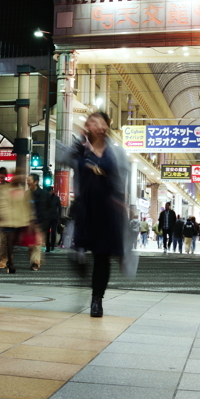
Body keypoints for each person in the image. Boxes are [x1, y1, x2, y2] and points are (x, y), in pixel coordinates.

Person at [68, 112, 129, 318]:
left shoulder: (116, 152)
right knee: (81, 251)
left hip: (108, 210)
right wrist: (80, 143)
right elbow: (64, 158)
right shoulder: (80, 149)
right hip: (86, 210)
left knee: (103, 258)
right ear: (88, 126)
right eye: (94, 122)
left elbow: (122, 177)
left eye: (102, 122)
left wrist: (123, 202)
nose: (99, 126)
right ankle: (80, 262)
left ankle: (97, 300)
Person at [0, 168, 35, 274]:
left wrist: (28, 220)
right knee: (9, 242)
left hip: (20, 221)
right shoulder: (4, 189)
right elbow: (1, 204)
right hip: (8, 221)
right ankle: (10, 263)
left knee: (17, 242)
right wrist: (4, 216)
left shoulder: (23, 191)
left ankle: (11, 261)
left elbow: (26, 207)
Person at [26, 173, 49, 269]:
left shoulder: (44, 194)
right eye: (27, 180)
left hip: (39, 223)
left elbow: (47, 209)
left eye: (29, 180)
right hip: (28, 223)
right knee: (30, 245)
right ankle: (35, 260)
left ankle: (35, 262)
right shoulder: (27, 194)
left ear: (36, 182)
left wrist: (44, 222)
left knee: (37, 244)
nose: (28, 182)